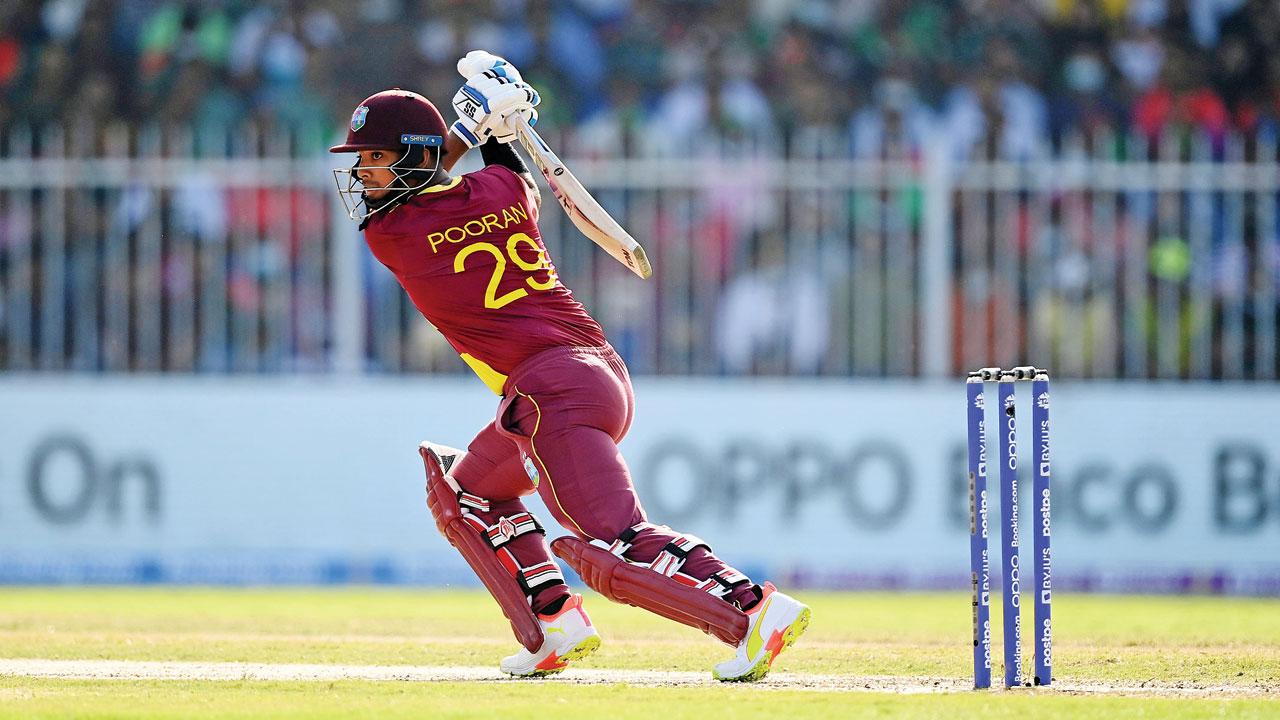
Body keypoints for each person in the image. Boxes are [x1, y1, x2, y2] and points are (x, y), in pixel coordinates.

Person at [328, 52, 810, 682]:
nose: (361, 176)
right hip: (592, 374)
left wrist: (473, 129)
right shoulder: (505, 190)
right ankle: (553, 624)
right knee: (468, 491)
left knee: (613, 542)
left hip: (551, 392)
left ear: (415, 159)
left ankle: (752, 610)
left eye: (373, 160)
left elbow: (439, 174)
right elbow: (501, 167)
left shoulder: (391, 232)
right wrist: (495, 128)